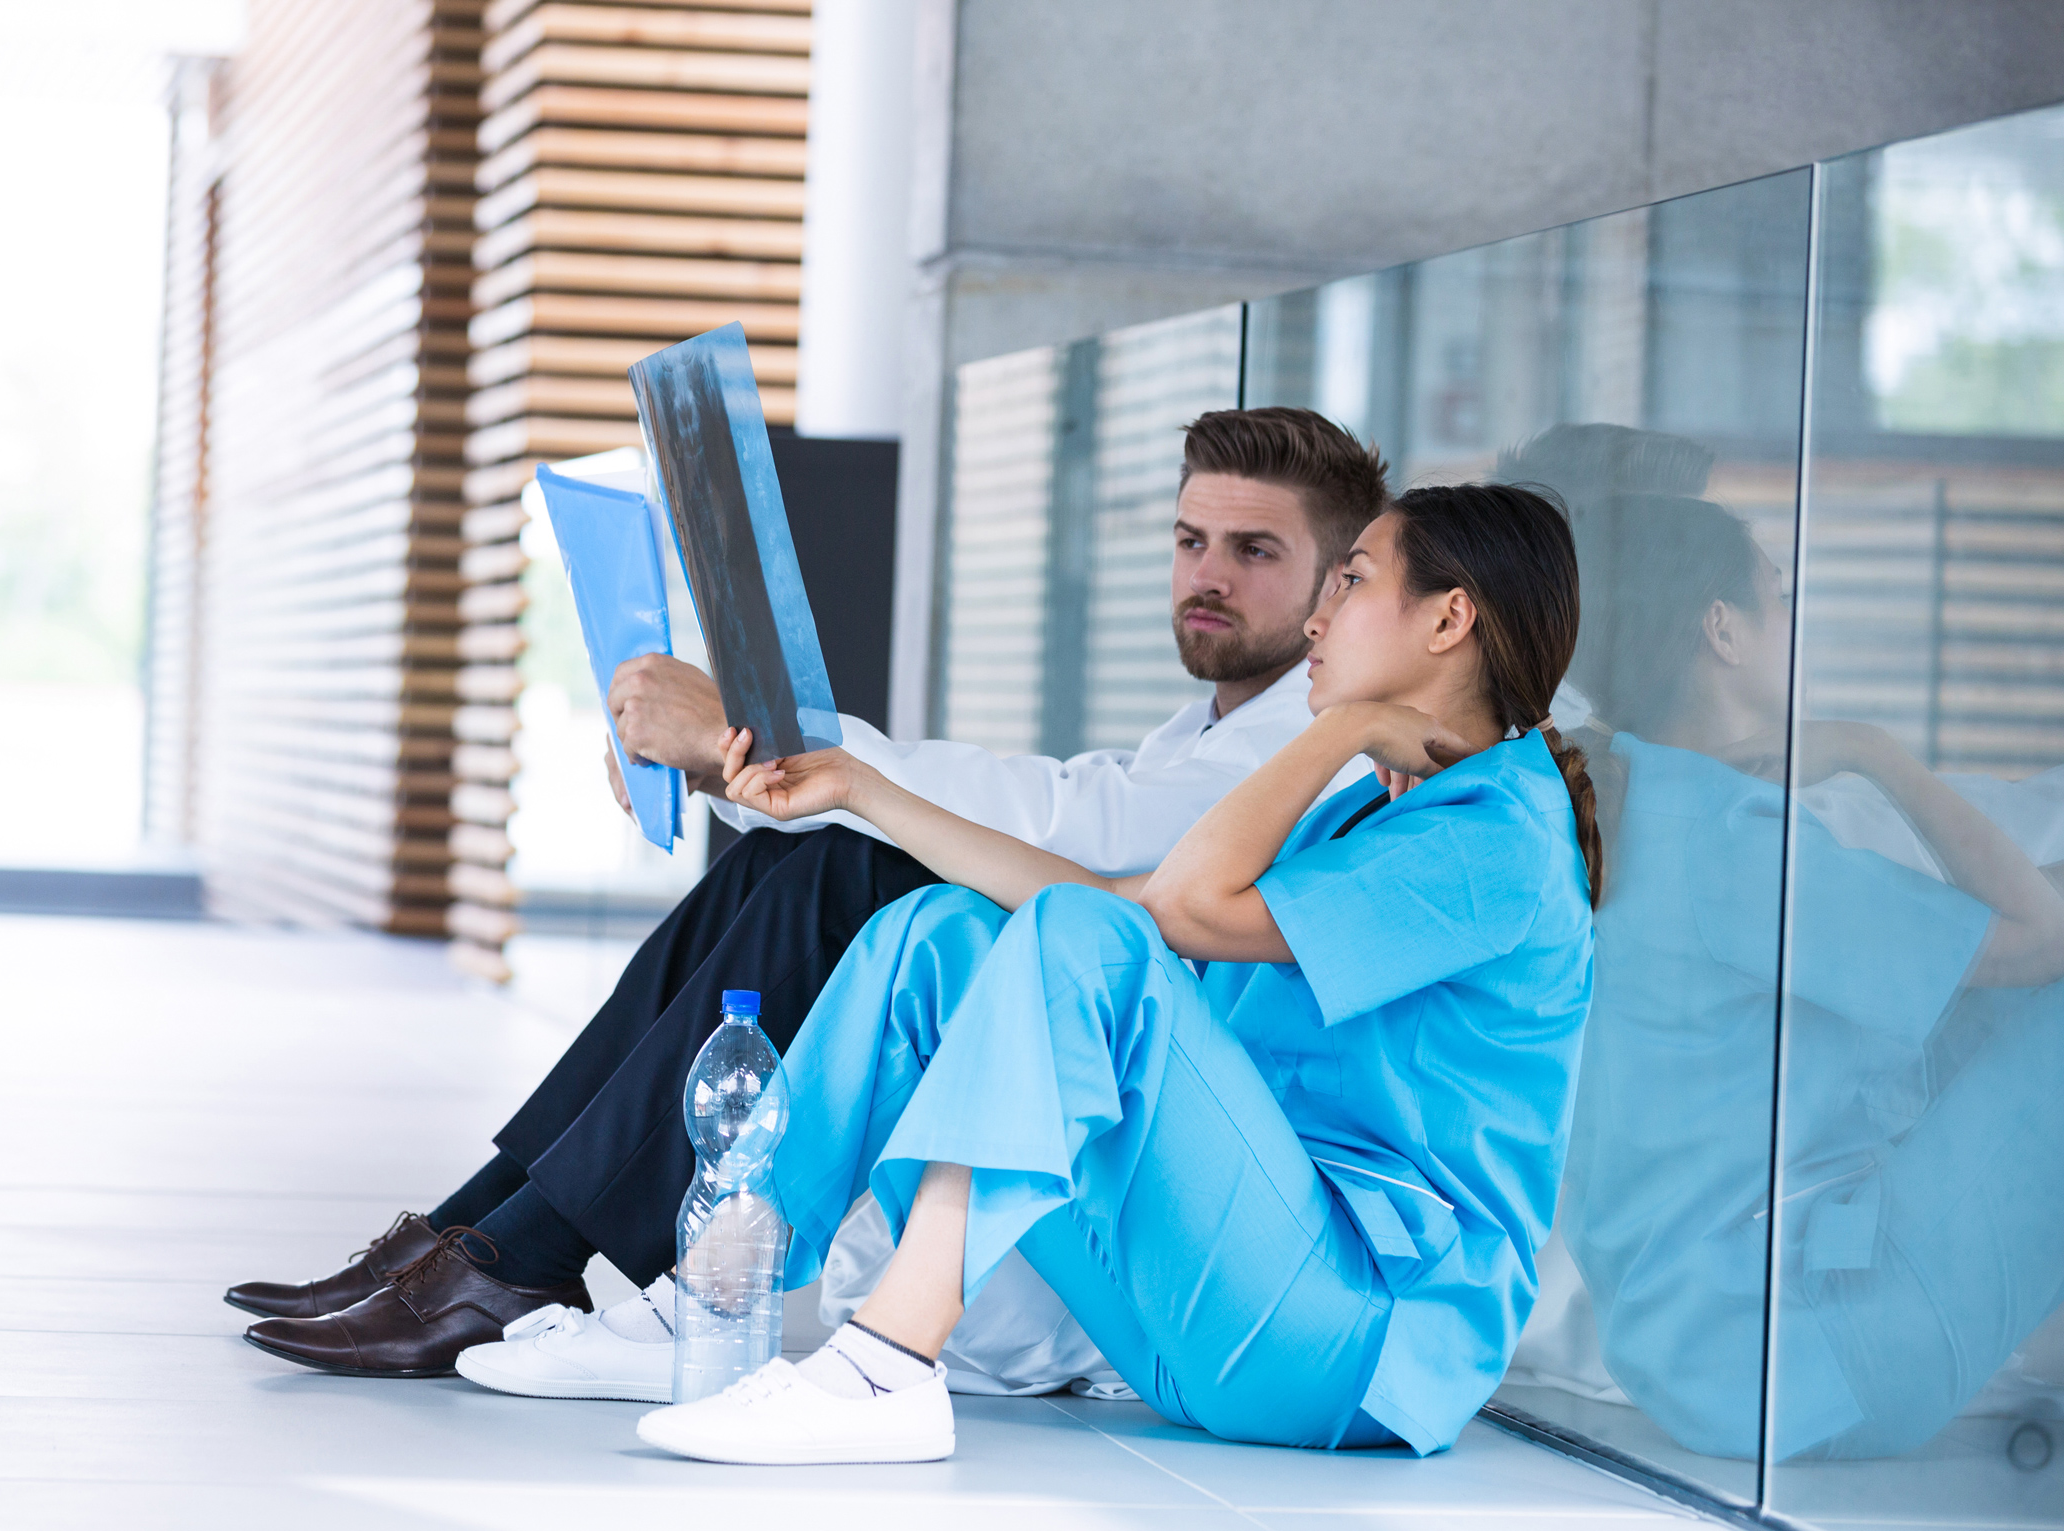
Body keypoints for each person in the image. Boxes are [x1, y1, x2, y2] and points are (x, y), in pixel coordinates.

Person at [228, 407, 1393, 1384]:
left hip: (1151, 1191)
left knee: (850, 868)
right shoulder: (1210, 725)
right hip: (1085, 1103)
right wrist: (754, 768)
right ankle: (483, 1232)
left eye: (1253, 552)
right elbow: (1061, 801)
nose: (1206, 577)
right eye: (1191, 540)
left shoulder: (1314, 747)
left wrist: (766, 739)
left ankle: (528, 1250)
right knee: (786, 865)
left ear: (1339, 584)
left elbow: (1059, 828)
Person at [631, 481, 1601, 1464]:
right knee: (939, 932)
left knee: (1070, 933)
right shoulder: (1366, 816)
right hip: (1207, 1314)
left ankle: (887, 1364)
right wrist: (864, 791)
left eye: (1350, 580)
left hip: (1351, 1335)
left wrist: (1339, 729)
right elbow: (1116, 905)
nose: (1316, 613)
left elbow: (1168, 912)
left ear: (1448, 617)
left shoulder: (1497, 832)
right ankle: (708, 1304)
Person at [1550, 490, 2064, 1461]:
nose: (1794, 623)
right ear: (1721, 629)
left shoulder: (1630, 799)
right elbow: (2042, 938)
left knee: (1970, 1008)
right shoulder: (1732, 841)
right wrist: (1869, 751)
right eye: (1778, 597)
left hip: (1690, 1351)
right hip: (1812, 1357)